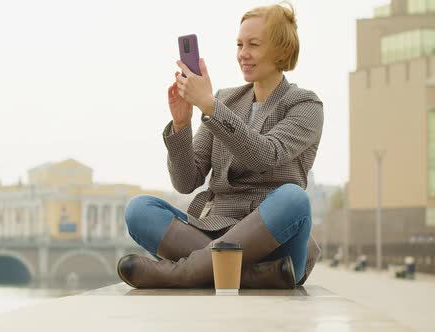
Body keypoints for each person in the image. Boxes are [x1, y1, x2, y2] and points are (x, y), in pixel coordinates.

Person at [117, 2, 323, 289]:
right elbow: (187, 181)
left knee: (294, 199)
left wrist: (211, 108)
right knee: (138, 209)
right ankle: (255, 275)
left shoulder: (305, 105)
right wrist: (181, 125)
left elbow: (266, 155)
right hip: (212, 231)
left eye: (253, 44)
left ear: (282, 51)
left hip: (274, 240)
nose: (243, 54)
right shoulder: (226, 100)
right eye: (239, 44)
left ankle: (184, 273)